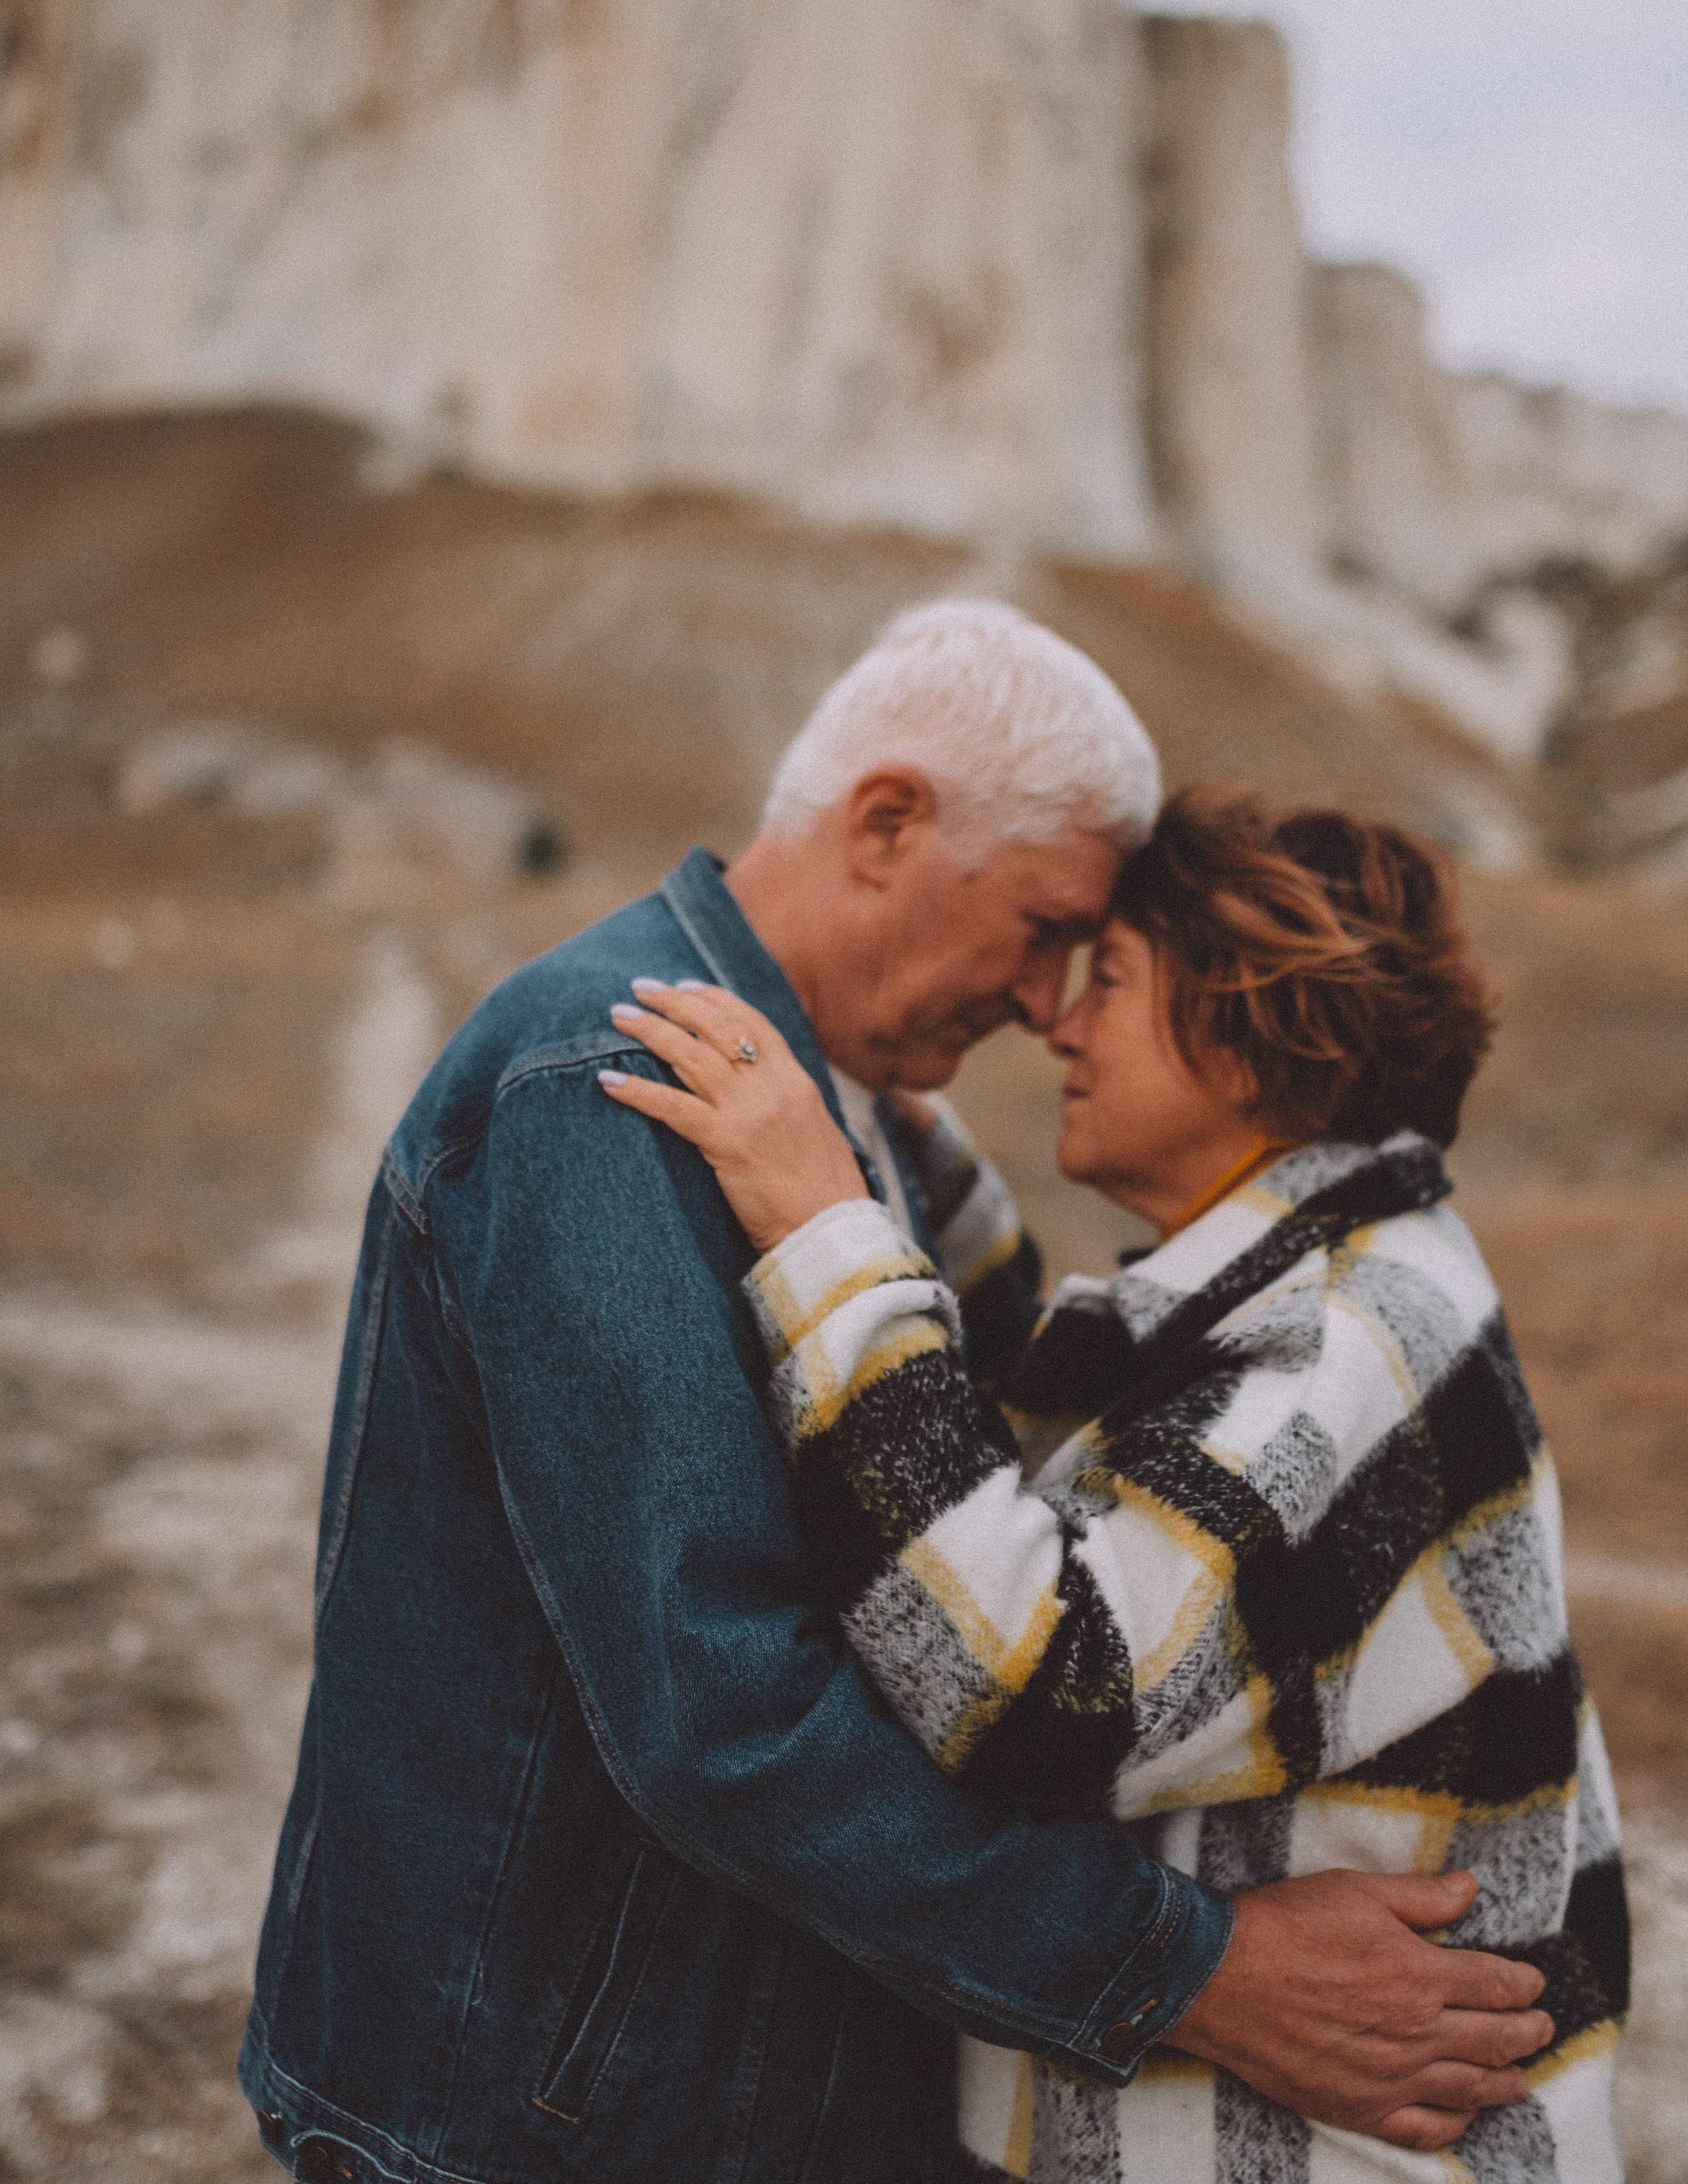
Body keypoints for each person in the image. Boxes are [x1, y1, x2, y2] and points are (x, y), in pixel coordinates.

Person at [241, 604, 1553, 2184]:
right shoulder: (611, 1086)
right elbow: (721, 1711)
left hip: (706, 2088)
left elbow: (984, 1403)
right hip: (534, 2112)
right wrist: (1185, 1967)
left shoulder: (818, 1107)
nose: (1041, 999)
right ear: (884, 825)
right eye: (1044, 923)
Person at [604, 787, 1627, 2181]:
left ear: (1257, 1025)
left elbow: (1040, 1686)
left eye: (1115, 980)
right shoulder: (1331, 1272)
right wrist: (871, 1115)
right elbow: (1059, 1417)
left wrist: (829, 1235)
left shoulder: (1345, 1338)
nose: (1061, 1022)